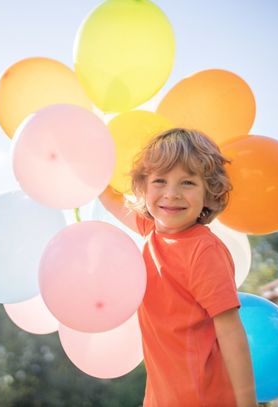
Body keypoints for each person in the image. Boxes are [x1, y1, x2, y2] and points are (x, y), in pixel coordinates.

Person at [99, 128, 257, 407]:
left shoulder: (204, 251)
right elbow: (111, 200)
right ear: (143, 188)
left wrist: (247, 403)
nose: (171, 194)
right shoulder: (152, 231)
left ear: (209, 193)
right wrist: (85, 167)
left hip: (205, 398)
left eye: (187, 183)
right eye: (160, 181)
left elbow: (231, 333)